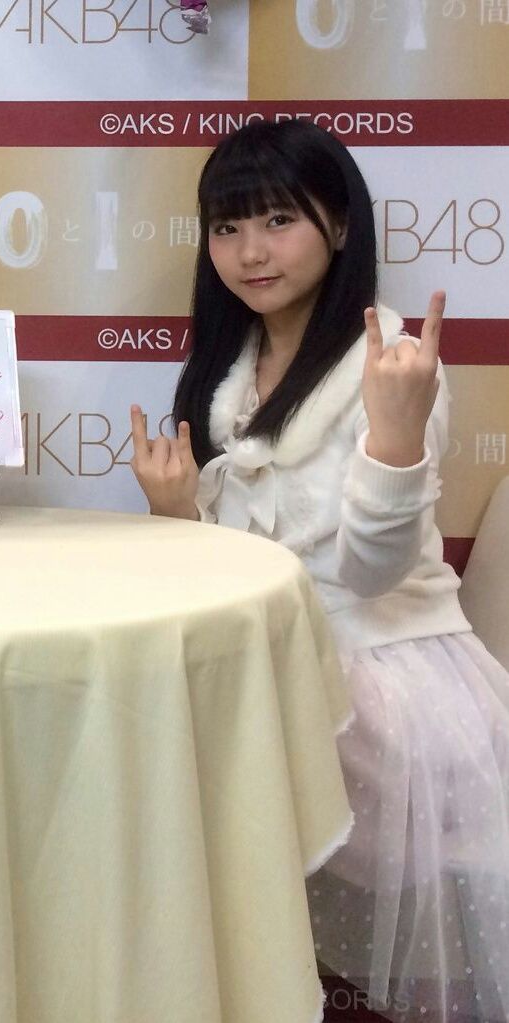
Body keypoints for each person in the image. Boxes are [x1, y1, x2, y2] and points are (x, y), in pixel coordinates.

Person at [129, 120, 509, 1023]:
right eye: (226, 227)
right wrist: (178, 516)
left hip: (380, 682)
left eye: (277, 220)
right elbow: (240, 570)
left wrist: (396, 434)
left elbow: (369, 573)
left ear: (339, 226)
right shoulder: (229, 369)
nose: (250, 252)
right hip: (273, 659)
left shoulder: (393, 366)